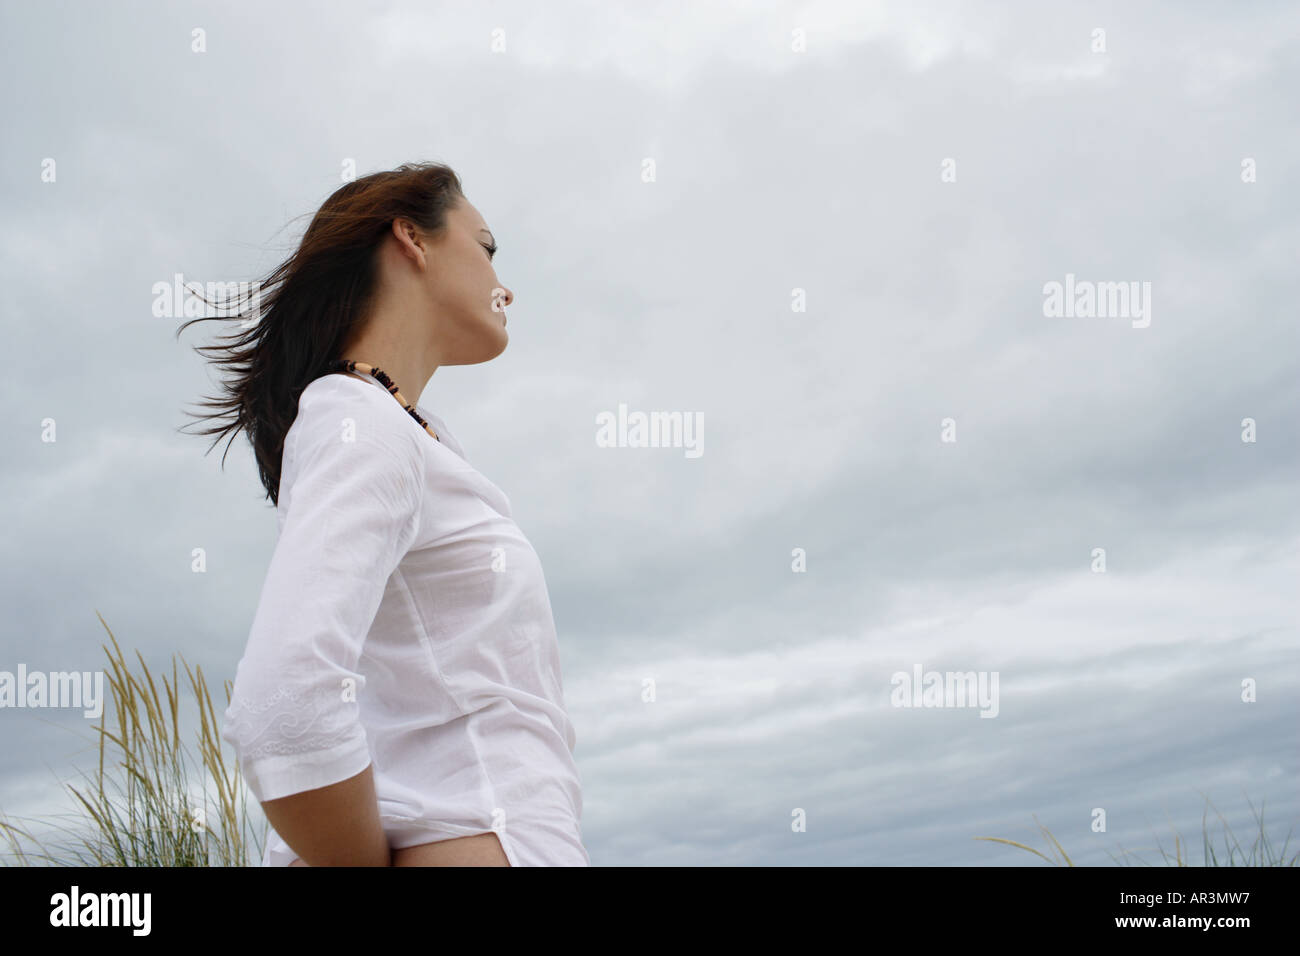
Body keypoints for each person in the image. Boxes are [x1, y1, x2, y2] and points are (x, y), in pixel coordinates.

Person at [178, 161, 589, 866]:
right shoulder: (357, 419)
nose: (504, 285)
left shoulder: (404, 429)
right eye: (486, 248)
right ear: (412, 238)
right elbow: (283, 709)